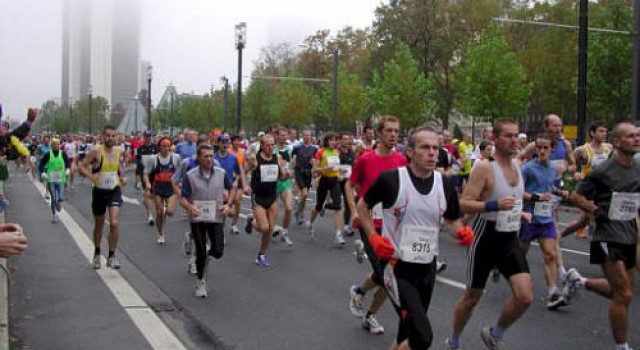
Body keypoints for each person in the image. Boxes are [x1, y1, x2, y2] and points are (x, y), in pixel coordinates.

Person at [358, 126, 472, 350]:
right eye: (425, 147)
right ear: (410, 152)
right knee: (422, 336)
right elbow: (363, 207)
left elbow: (451, 219)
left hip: (427, 267)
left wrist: (460, 231)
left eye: (436, 148)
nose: (432, 153)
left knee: (406, 333)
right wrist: (373, 237)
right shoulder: (392, 180)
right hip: (396, 267)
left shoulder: (445, 183)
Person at [446, 119, 533, 350]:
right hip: (486, 237)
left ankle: (495, 333)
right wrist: (493, 206)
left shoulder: (517, 165)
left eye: (516, 135)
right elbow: (464, 204)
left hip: (509, 237)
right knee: (472, 297)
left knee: (525, 297)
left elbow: (511, 199)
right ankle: (453, 340)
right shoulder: (485, 167)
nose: (514, 140)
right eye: (508, 135)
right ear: (494, 138)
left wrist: (520, 213)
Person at [565, 121, 640, 350]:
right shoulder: (603, 171)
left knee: (619, 290)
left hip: (629, 234)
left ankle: (580, 281)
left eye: (638, 135)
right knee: (624, 295)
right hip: (607, 236)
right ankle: (621, 346)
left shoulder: (637, 167)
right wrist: (596, 211)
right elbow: (576, 196)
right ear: (617, 142)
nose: (637, 139)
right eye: (631, 136)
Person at [346, 116, 407, 335]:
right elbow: (350, 184)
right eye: (389, 131)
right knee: (386, 275)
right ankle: (362, 295)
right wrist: (354, 210)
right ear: (379, 133)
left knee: (388, 272)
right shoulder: (365, 159)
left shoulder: (401, 160)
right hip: (369, 221)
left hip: (392, 223)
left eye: (396, 131)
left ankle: (366, 307)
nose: (393, 135)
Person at [519, 133, 569, 310]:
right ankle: (502, 267)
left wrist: (560, 192)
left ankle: (553, 292)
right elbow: (519, 191)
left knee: (550, 254)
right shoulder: (527, 169)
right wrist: (535, 197)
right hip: (529, 217)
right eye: (538, 147)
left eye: (545, 148)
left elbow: (552, 187)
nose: (541, 151)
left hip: (546, 218)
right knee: (520, 254)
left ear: (552, 149)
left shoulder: (554, 169)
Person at [177, 144, 232, 298]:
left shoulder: (221, 173)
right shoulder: (190, 175)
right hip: (198, 217)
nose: (209, 159)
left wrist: (228, 204)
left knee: (218, 251)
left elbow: (232, 188)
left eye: (211, 156)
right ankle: (200, 282)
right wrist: (190, 207)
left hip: (215, 217)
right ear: (199, 158)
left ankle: (206, 253)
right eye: (205, 156)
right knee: (200, 251)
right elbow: (182, 197)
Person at [78, 125, 127, 270]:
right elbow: (81, 165)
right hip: (99, 191)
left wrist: (122, 177)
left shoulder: (119, 151)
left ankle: (112, 256)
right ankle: (97, 253)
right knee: (99, 225)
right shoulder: (96, 152)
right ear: (102, 136)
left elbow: (118, 168)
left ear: (116, 137)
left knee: (114, 223)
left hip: (114, 190)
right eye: (108, 135)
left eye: (113, 136)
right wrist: (90, 176)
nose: (110, 138)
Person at [561, 121, 612, 240]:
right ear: (592, 133)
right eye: (601, 131)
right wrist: (576, 173)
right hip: (588, 191)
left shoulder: (609, 148)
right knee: (595, 217)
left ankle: (558, 236)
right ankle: (599, 245)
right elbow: (568, 165)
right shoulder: (582, 150)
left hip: (604, 191)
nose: (604, 134)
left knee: (580, 223)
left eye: (605, 131)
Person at [244, 133, 285, 267]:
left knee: (270, 229)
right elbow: (243, 172)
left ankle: (261, 255)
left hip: (272, 196)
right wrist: (245, 185)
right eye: (267, 145)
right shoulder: (255, 159)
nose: (270, 147)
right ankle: (251, 220)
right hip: (258, 197)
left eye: (272, 144)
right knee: (264, 227)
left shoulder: (277, 157)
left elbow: (282, 176)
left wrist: (286, 174)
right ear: (262, 146)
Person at [306, 132, 345, 245]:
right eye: (331, 140)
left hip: (334, 181)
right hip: (324, 180)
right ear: (327, 141)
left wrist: (340, 173)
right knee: (318, 206)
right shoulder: (321, 152)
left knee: (338, 205)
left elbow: (336, 167)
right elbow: (315, 169)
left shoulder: (336, 152)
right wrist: (326, 168)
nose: (334, 142)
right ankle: (311, 222)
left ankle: (338, 234)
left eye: (335, 140)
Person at [144, 137, 180, 244]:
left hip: (171, 186)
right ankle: (160, 233)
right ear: (159, 147)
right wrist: (147, 183)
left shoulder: (176, 158)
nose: (165, 148)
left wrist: (181, 181)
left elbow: (180, 171)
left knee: (170, 212)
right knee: (159, 212)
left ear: (170, 147)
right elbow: (146, 173)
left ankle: (165, 212)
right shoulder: (153, 159)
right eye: (163, 146)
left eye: (168, 146)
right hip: (158, 187)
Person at [272, 127, 295, 246]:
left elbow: (292, 165)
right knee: (272, 210)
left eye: (286, 135)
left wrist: (291, 171)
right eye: (281, 135)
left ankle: (284, 233)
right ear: (276, 136)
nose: (284, 137)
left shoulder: (290, 149)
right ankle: (271, 227)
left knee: (289, 207)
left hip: (286, 181)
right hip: (273, 181)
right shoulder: (271, 149)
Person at [39, 138, 71, 223]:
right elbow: (41, 164)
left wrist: (68, 169)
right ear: (51, 146)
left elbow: (68, 162)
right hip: (51, 179)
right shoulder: (48, 154)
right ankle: (54, 215)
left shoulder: (63, 153)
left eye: (57, 144)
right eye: (54, 144)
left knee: (60, 197)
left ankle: (59, 202)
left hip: (61, 179)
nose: (56, 146)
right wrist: (42, 172)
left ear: (59, 145)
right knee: (53, 198)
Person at [292, 129, 317, 225]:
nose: (307, 137)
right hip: (299, 172)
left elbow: (315, 161)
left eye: (309, 135)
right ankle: (300, 212)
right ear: (302, 136)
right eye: (305, 135)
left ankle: (299, 211)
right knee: (305, 194)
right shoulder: (297, 147)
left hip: (308, 173)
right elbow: (293, 159)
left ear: (311, 136)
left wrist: (314, 170)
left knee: (304, 196)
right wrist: (292, 167)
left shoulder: (314, 148)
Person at [136, 131, 158, 226]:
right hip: (145, 173)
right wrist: (139, 170)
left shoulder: (156, 147)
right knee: (147, 192)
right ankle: (149, 215)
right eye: (146, 136)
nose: (148, 138)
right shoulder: (139, 148)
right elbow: (137, 160)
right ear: (143, 137)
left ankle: (146, 200)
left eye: (150, 136)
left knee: (153, 195)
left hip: (155, 173)